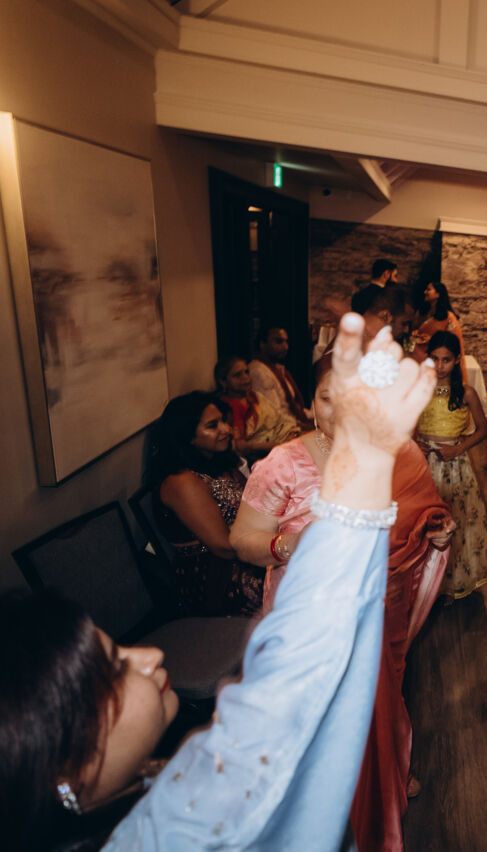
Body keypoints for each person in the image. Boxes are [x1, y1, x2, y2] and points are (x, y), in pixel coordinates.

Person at [0, 314, 437, 851]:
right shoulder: (176, 832)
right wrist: (361, 471)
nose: (148, 656)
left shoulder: (156, 787)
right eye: (112, 671)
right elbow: (290, 686)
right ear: (60, 772)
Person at [230, 354, 455, 850]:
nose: (338, 409)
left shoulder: (398, 455)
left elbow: (418, 519)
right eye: (327, 397)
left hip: (374, 612)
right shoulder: (282, 465)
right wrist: (293, 544)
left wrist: (433, 533)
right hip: (305, 621)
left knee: (377, 701)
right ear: (311, 404)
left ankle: (383, 776)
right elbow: (242, 539)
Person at [148, 391, 263, 616]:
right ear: (188, 436)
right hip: (217, 576)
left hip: (245, 552)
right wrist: (275, 546)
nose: (227, 429)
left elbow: (254, 504)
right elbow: (224, 547)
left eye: (223, 421)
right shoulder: (181, 482)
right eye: (213, 426)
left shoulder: (217, 461)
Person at [417, 330, 487, 601]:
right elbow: (407, 425)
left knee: (454, 521)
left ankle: (450, 582)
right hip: (423, 463)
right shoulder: (420, 390)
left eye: (446, 360)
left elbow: (484, 430)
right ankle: (424, 582)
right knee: (424, 522)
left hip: (454, 464)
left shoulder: (466, 393)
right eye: (435, 359)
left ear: (457, 360)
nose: (439, 366)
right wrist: (415, 444)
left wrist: (458, 448)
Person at [215, 355, 301, 463]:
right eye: (237, 375)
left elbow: (279, 420)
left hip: (284, 439)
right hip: (264, 455)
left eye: (246, 372)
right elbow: (241, 446)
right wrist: (279, 445)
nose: (245, 377)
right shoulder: (228, 407)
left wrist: (292, 434)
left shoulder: (255, 397)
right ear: (223, 381)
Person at [249, 325, 311, 427]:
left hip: (291, 425)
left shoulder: (278, 369)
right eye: (279, 341)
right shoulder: (258, 371)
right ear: (262, 344)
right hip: (281, 430)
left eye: (286, 342)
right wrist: (302, 425)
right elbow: (273, 416)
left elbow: (291, 409)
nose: (285, 347)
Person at [414, 281, 466, 366]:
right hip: (419, 357)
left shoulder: (448, 318)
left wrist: (432, 340)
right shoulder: (421, 313)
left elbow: (454, 342)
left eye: (428, 289)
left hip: (438, 361)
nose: (425, 292)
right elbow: (414, 333)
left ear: (437, 294)